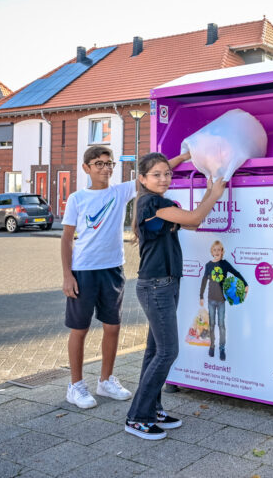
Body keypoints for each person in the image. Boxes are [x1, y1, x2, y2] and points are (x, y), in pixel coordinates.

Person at [61, 145, 189, 410]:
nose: (105, 168)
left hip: (113, 270)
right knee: (80, 329)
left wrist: (186, 157)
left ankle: (105, 380)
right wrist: (67, 275)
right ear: (86, 168)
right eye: (98, 163)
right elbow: (66, 239)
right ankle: (76, 385)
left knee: (113, 327)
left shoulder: (120, 192)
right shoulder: (77, 198)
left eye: (109, 164)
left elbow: (158, 171)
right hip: (83, 271)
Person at [126, 152, 226, 440]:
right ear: (142, 179)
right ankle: (137, 417)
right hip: (156, 286)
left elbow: (192, 224)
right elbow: (195, 216)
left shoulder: (162, 203)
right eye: (156, 174)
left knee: (154, 352)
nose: (164, 178)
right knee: (168, 351)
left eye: (167, 173)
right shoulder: (150, 202)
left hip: (166, 283)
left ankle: (152, 409)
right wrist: (215, 193)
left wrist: (189, 157)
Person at [199, 240, 248, 361]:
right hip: (211, 300)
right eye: (214, 250)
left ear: (222, 252)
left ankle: (222, 349)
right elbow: (204, 281)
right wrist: (201, 296)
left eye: (219, 250)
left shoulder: (225, 264)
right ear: (212, 251)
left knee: (221, 325)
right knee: (211, 325)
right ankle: (212, 346)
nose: (216, 252)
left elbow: (236, 273)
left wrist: (245, 284)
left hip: (221, 301)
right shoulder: (208, 265)